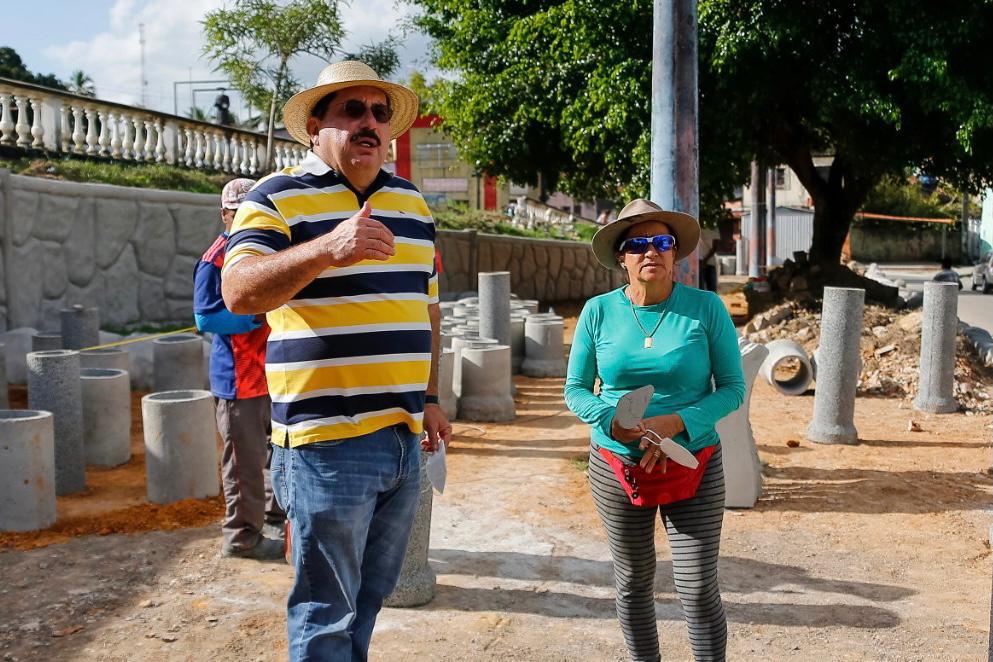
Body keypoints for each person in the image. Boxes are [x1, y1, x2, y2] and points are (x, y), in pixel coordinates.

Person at [220, 61, 451, 661]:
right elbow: (239, 290)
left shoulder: (412, 205)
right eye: (353, 110)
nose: (370, 123)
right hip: (326, 444)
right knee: (326, 612)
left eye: (380, 112)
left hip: (402, 438)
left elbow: (425, 310)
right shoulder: (276, 198)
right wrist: (327, 248)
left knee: (369, 602)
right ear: (316, 126)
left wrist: (428, 400)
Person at [564, 198, 745, 662]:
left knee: (697, 587)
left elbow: (731, 389)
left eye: (662, 241)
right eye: (638, 243)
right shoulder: (598, 312)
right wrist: (614, 424)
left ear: (675, 252)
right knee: (632, 582)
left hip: (694, 460)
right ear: (622, 256)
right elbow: (577, 390)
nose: (652, 251)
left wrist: (676, 424)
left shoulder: (706, 309)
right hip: (616, 463)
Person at [193, 177, 285, 561]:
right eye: (237, 213)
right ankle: (242, 536)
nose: (245, 220)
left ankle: (273, 514)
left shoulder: (261, 253)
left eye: (253, 212)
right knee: (243, 464)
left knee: (275, 453)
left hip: (269, 374)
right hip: (237, 381)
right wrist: (248, 320)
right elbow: (204, 317)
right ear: (225, 215)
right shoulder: (216, 259)